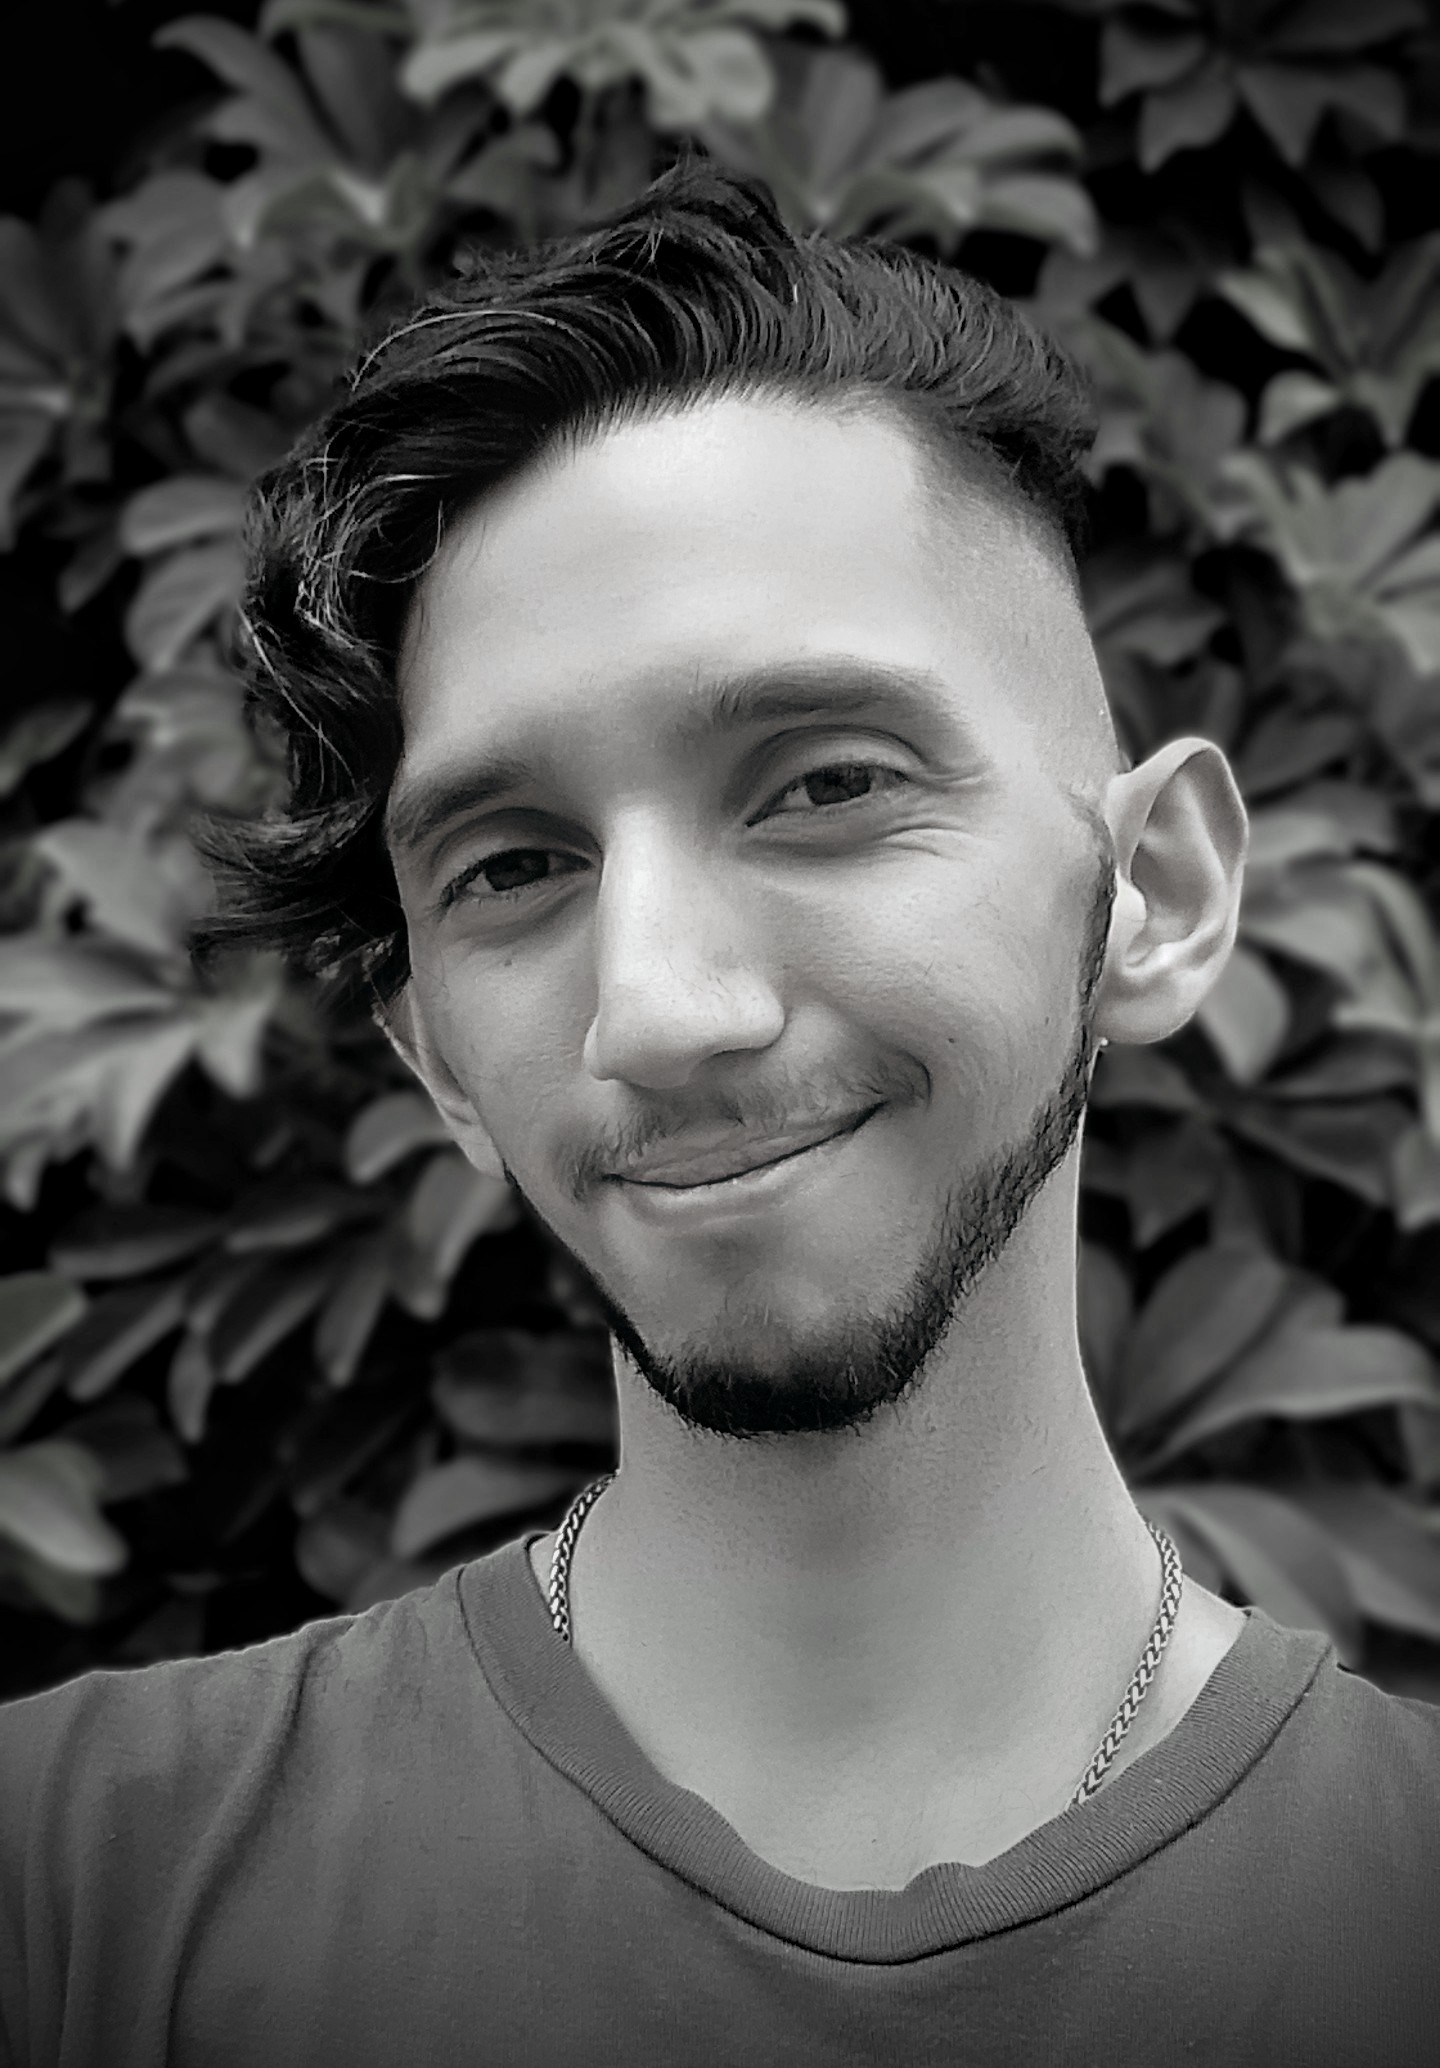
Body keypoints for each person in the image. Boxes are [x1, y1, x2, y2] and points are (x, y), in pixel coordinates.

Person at [2, 157, 1437, 2068]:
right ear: (438, 1061)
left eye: (827, 785)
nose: (661, 1011)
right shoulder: (69, 1884)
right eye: (515, 868)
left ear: (1152, 893)